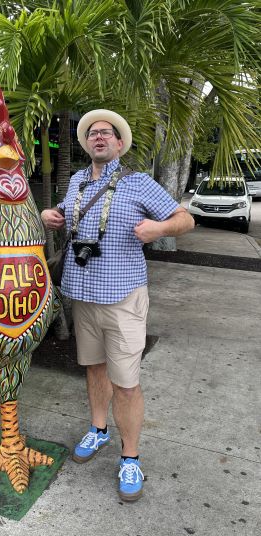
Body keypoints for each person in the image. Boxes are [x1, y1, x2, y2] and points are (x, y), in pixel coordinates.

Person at [41, 109, 194, 502]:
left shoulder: (139, 183)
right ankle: (98, 430)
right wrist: (50, 216)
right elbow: (63, 213)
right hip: (84, 296)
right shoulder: (75, 181)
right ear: (87, 144)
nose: (99, 138)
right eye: (92, 134)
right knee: (94, 370)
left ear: (120, 144)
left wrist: (159, 229)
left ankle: (130, 456)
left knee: (126, 383)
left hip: (123, 298)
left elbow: (185, 219)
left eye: (107, 133)